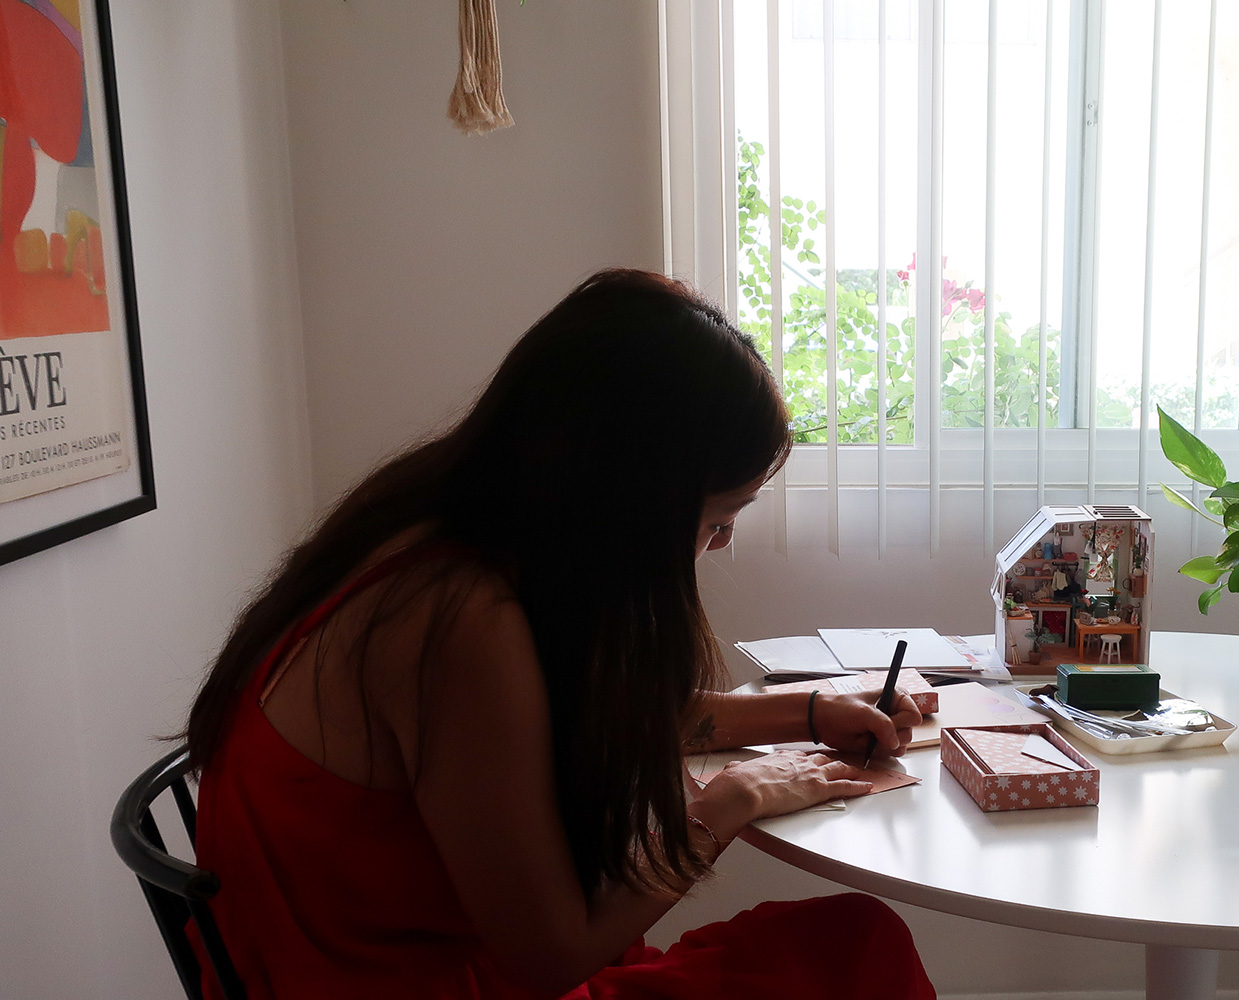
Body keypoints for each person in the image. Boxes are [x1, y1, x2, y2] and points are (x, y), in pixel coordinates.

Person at [182, 269, 936, 999]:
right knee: (862, 950)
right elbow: (553, 954)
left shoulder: (427, 534)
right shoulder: (454, 621)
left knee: (846, 943)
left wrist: (812, 710)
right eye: (717, 517)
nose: (722, 542)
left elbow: (600, 713)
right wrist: (729, 804)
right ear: (629, 499)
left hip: (406, 960)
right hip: (432, 980)